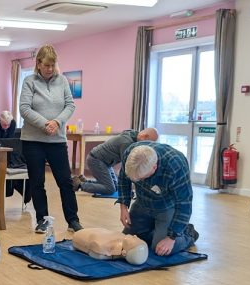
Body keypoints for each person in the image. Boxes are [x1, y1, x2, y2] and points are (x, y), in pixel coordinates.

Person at [19, 45, 82, 234]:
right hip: (33, 141)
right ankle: (42, 220)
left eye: (53, 65)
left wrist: (57, 121)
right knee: (37, 182)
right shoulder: (29, 82)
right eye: (46, 65)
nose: (49, 69)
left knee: (65, 181)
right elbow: (24, 108)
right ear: (38, 64)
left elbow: (70, 105)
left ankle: (73, 220)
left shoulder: (62, 81)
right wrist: (45, 124)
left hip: (57, 140)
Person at [117, 143, 199, 257]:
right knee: (126, 241)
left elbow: (184, 204)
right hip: (142, 203)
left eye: (141, 178)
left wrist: (171, 237)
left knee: (160, 249)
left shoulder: (176, 166)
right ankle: (156, 230)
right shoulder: (131, 154)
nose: (137, 181)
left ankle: (187, 233)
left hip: (165, 207)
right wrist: (123, 206)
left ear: (154, 167)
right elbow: (123, 180)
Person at [73, 128, 159, 195]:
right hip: (96, 160)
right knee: (110, 189)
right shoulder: (127, 143)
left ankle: (84, 181)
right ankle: (79, 185)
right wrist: (132, 189)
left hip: (105, 163)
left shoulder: (133, 133)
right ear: (145, 136)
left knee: (115, 186)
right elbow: (127, 169)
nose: (146, 145)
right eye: (148, 142)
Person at [72, 228, 149, 265]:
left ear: (124, 253)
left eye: (134, 240)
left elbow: (96, 253)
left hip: (80, 236)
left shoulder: (102, 247)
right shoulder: (122, 237)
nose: (135, 235)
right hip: (94, 230)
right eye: (137, 238)